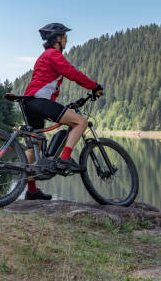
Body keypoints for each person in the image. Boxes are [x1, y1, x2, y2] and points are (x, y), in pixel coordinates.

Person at [22, 23, 104, 200]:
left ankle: (32, 190)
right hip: (39, 102)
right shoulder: (54, 54)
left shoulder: (44, 56)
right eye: (65, 37)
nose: (67, 40)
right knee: (81, 122)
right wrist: (94, 86)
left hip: (30, 101)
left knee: (34, 144)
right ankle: (65, 158)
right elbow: (72, 73)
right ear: (57, 39)